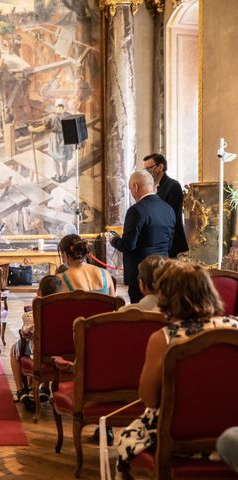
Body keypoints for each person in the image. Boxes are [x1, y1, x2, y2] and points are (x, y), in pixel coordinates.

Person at [115, 261, 238, 479]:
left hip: (177, 438)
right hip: (231, 431)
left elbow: (149, 398)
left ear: (166, 296)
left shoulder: (164, 338)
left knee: (126, 441)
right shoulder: (235, 327)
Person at [110, 170, 175, 303]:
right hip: (163, 269)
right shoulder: (168, 208)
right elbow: (169, 243)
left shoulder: (136, 210)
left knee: (141, 314)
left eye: (130, 188)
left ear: (135, 186)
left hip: (141, 273)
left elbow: (129, 245)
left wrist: (114, 240)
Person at [10, 275, 62, 408]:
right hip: (61, 350)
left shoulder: (33, 314)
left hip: (39, 353)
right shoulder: (64, 309)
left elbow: (26, 332)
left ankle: (20, 390)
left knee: (16, 349)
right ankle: (44, 387)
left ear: (39, 291)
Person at [142, 153, 188, 258]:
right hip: (154, 242)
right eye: (144, 170)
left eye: (149, 168)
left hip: (169, 243)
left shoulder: (173, 186)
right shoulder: (149, 187)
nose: (146, 173)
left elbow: (171, 217)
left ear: (160, 167)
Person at [28, 99, 73, 183]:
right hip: (65, 138)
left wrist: (32, 129)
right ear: (64, 106)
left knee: (55, 158)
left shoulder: (52, 116)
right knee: (64, 158)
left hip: (55, 138)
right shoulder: (69, 115)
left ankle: (58, 176)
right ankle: (64, 176)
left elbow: (44, 128)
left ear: (56, 106)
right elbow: (72, 130)